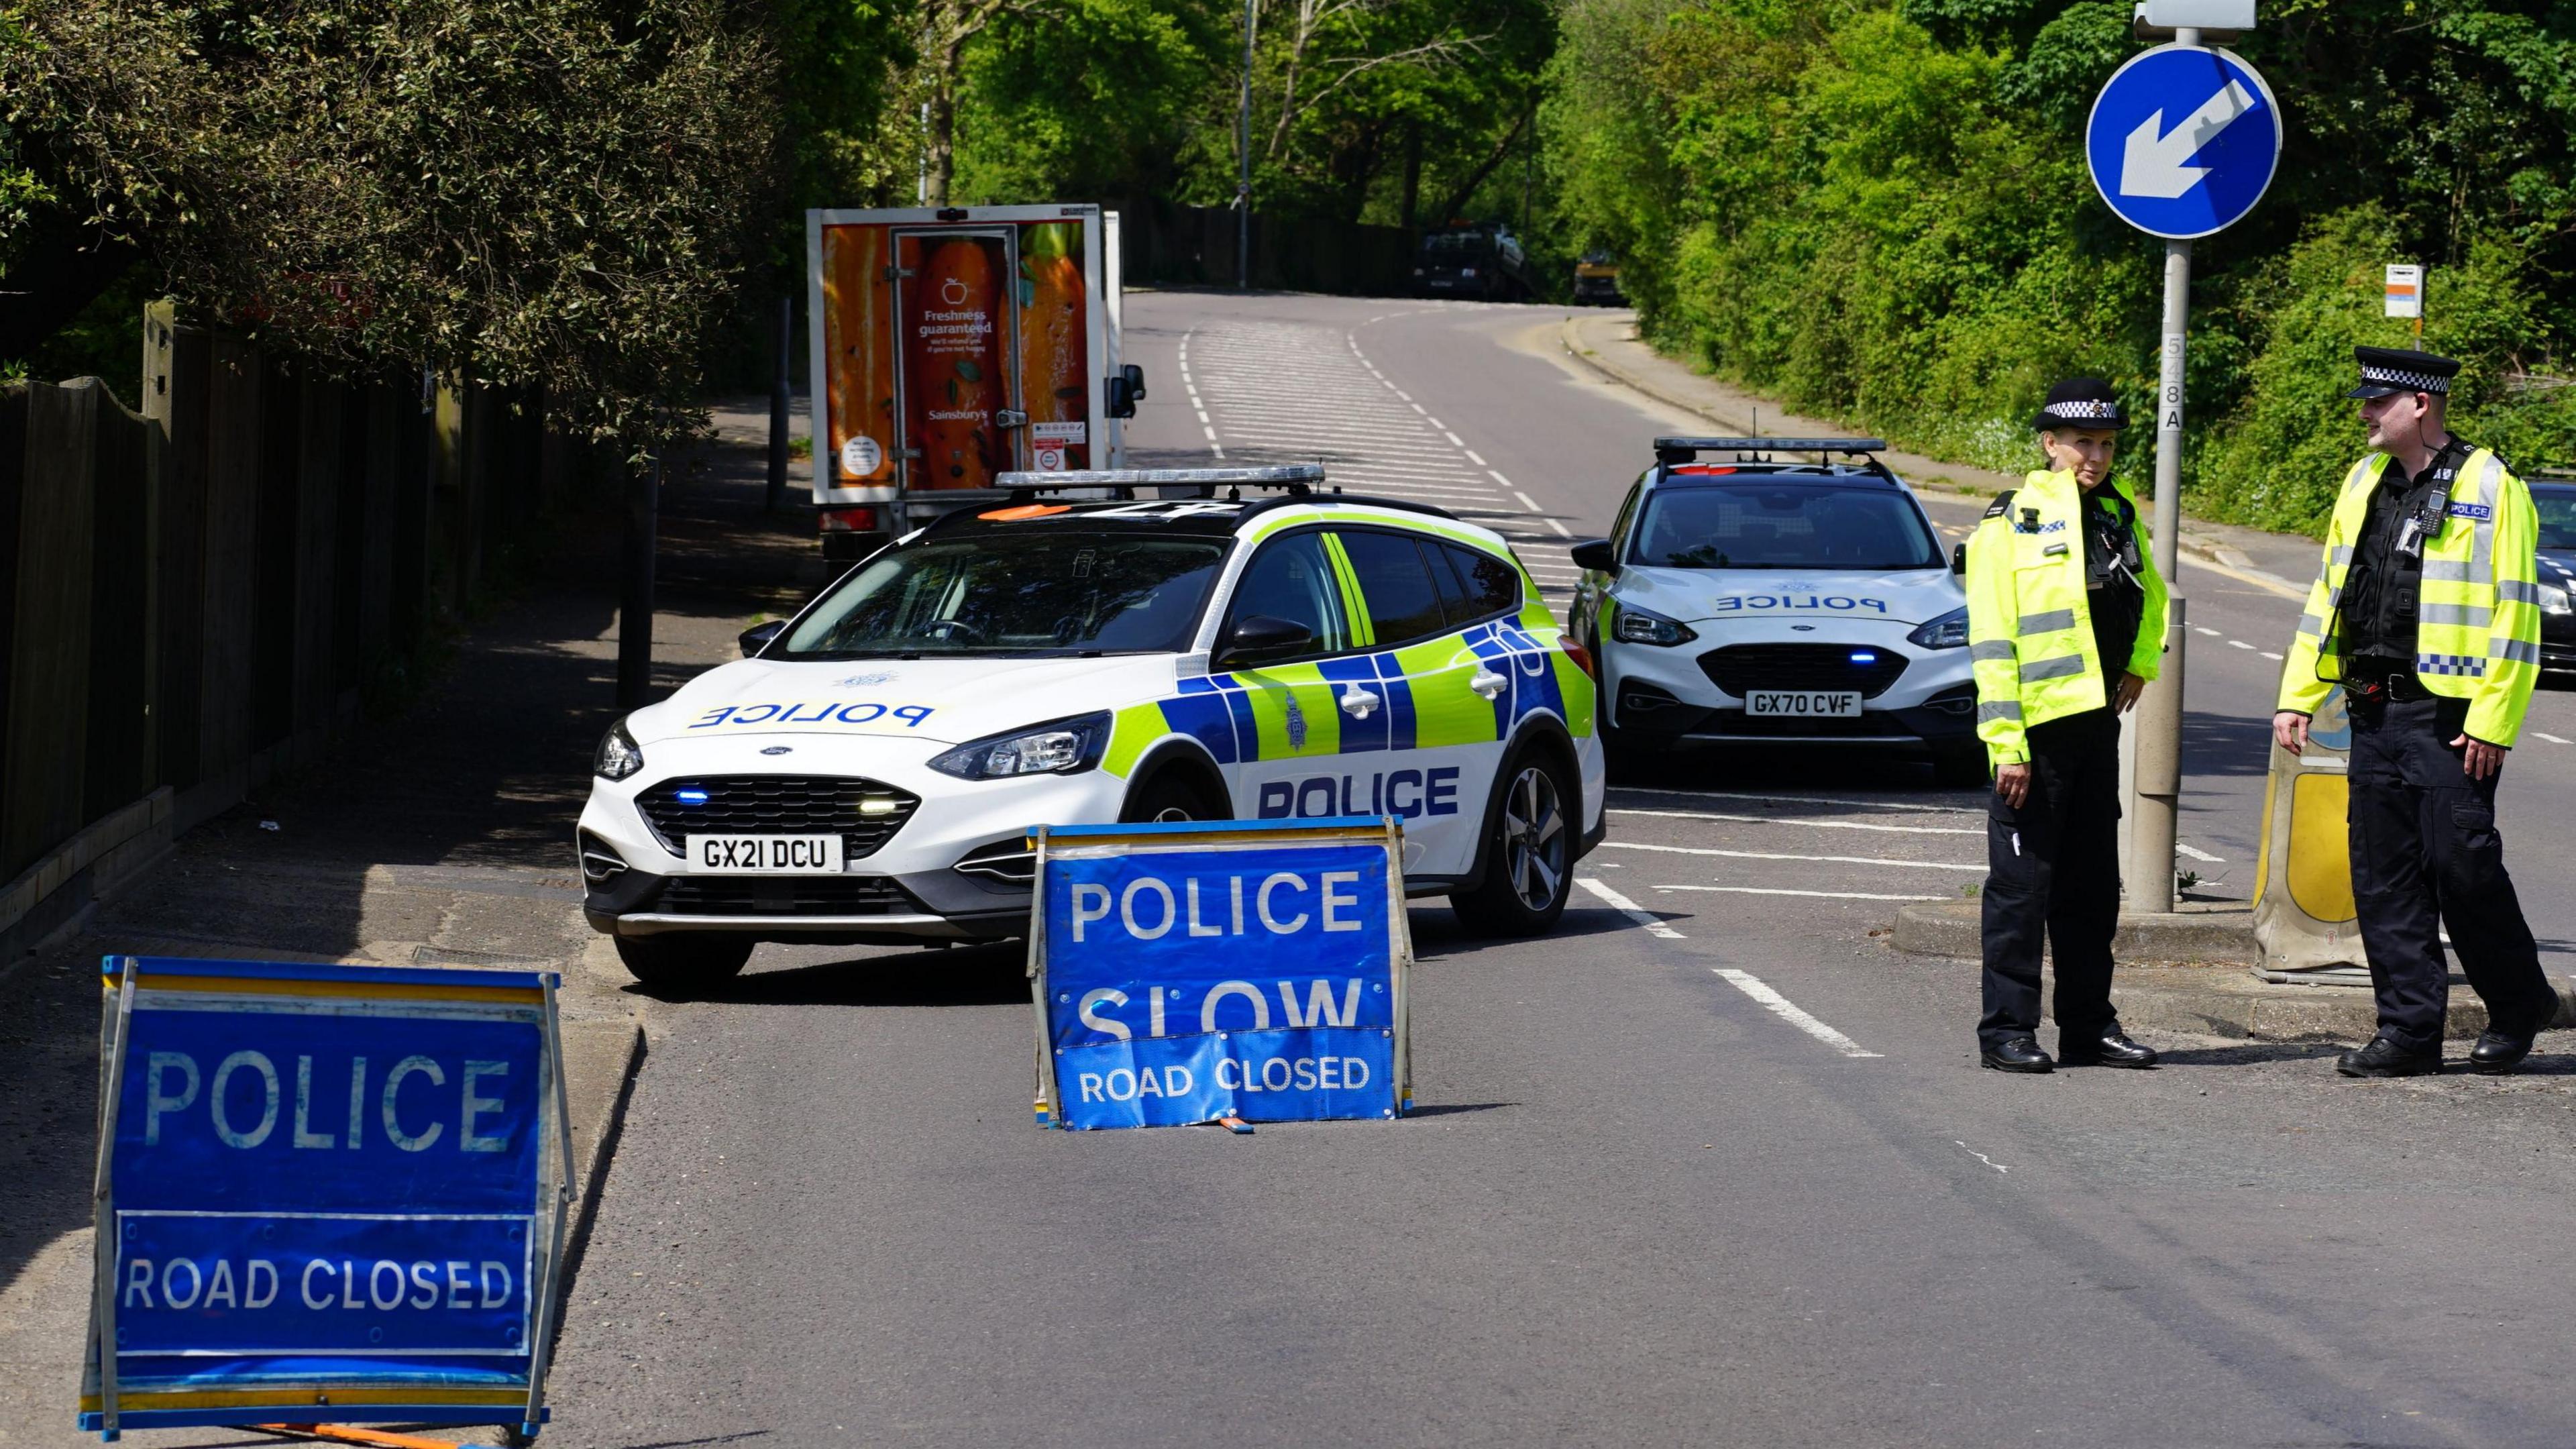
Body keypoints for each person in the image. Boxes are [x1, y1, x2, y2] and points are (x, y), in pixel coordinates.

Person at [2272, 347, 2561, 1077]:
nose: (2365, 414)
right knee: (2384, 877)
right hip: (2373, 708)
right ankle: (2408, 1032)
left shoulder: (2492, 485)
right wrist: (2299, 695)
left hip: (2451, 718)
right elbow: (2329, 593)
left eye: (2378, 401)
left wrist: (2493, 719)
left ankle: (2519, 1000)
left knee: (2461, 868)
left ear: (2421, 405)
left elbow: (2515, 614)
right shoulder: (2364, 480)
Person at [1963, 379, 2169, 1073]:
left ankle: (2088, 1027)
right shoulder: (2010, 520)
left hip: (2095, 729)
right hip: (2035, 737)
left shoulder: (2116, 510)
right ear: (2050, 444)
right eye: (2083, 443)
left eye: (2107, 444)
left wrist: (2140, 665)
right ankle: (2007, 1033)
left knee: (2088, 893)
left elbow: (2152, 593)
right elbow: (1991, 641)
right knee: (2022, 894)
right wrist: (2008, 747)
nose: (2096, 456)